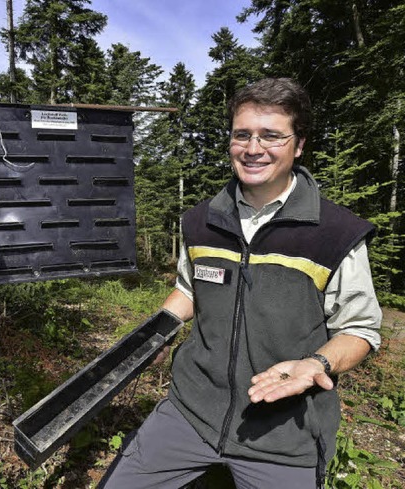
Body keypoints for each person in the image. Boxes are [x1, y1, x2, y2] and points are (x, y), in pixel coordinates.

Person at [98, 78, 382, 489]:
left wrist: (315, 364)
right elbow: (188, 290)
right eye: (242, 135)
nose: (252, 149)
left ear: (299, 144)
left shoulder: (335, 233)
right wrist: (153, 336)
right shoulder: (200, 221)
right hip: (190, 412)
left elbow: (359, 329)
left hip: (285, 433)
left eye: (271, 136)